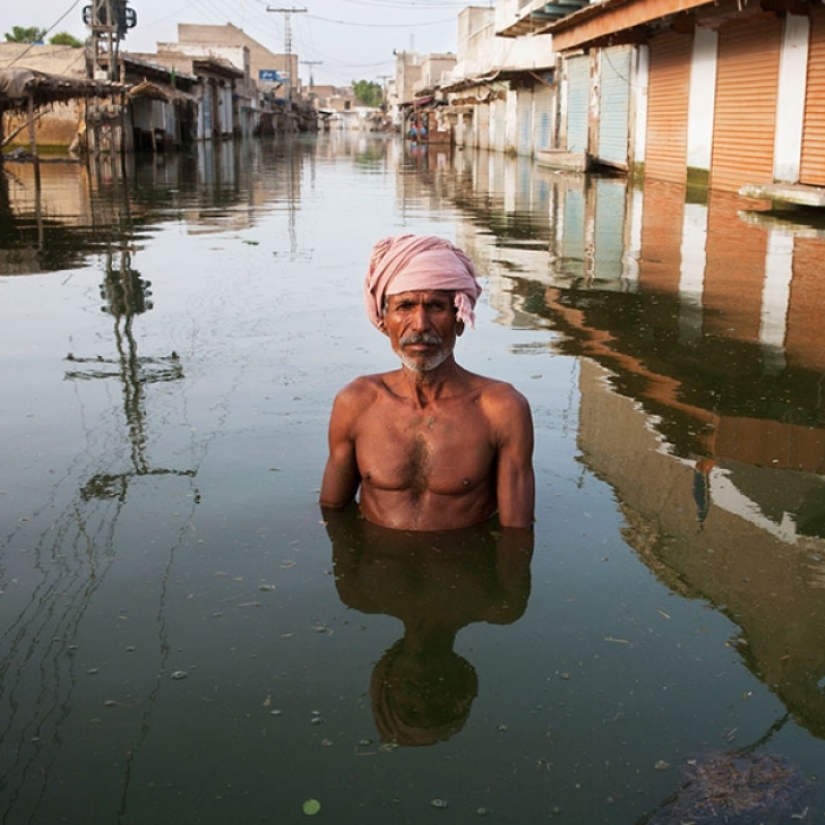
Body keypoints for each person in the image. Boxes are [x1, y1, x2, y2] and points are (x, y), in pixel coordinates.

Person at [320, 234, 535, 531]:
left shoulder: (501, 410)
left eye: (435, 306)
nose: (420, 324)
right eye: (405, 306)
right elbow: (331, 514)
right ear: (384, 320)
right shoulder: (356, 402)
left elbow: (517, 534)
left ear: (459, 319)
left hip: (461, 557)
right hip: (376, 560)